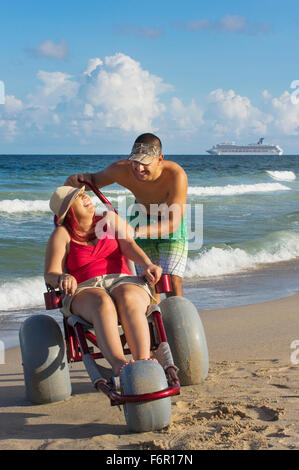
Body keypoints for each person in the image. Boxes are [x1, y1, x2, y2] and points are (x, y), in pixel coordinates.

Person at [44, 185, 163, 385]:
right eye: (78, 197)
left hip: (120, 279)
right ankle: (119, 367)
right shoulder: (62, 235)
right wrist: (62, 278)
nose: (86, 198)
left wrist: (148, 265)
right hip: (85, 288)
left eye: (84, 194)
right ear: (69, 211)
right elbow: (50, 273)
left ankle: (143, 362)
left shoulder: (109, 219)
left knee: (129, 296)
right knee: (102, 302)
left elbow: (129, 246)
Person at [65, 133, 188, 299]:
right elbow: (93, 179)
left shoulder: (176, 175)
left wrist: (134, 232)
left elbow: (172, 223)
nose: (138, 168)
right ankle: (155, 322)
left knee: (172, 281)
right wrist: (75, 180)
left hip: (169, 223)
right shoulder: (122, 169)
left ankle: (177, 321)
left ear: (160, 159)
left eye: (145, 162)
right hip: (141, 217)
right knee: (149, 280)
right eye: (135, 161)